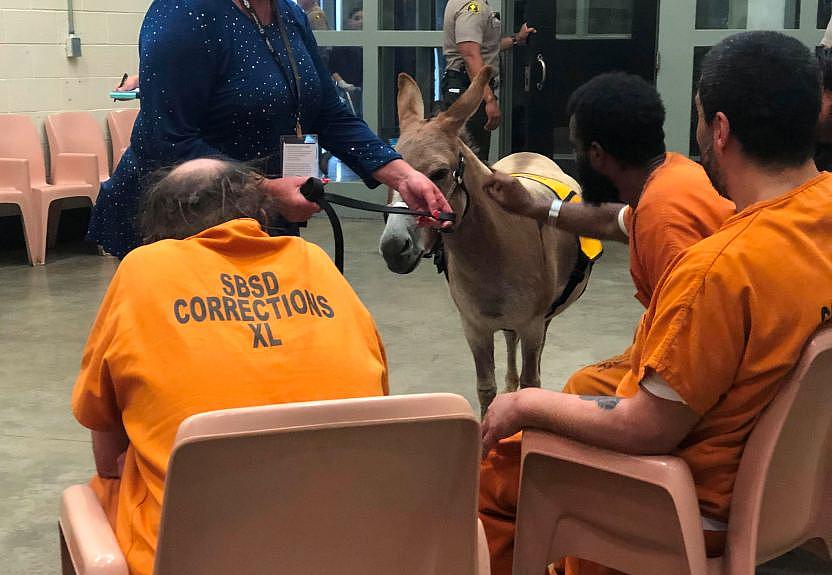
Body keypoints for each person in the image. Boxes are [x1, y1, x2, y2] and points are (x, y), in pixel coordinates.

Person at [478, 31, 832, 575]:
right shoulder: (812, 214)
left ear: (719, 130)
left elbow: (647, 428)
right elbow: (622, 219)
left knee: (504, 464)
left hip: (692, 503)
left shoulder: (719, 271)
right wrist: (542, 211)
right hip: (793, 488)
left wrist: (522, 403)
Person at [73, 158, 389, 575]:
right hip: (358, 548)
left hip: (193, 556)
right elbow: (379, 398)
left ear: (159, 228)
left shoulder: (142, 270)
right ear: (259, 213)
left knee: (105, 489)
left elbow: (106, 452)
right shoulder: (315, 263)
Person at [91, 0, 450, 259]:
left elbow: (327, 112)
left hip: (260, 212)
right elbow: (166, 141)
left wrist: (403, 178)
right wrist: (265, 190)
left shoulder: (288, 15)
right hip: (184, 222)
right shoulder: (184, 13)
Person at [485, 72, 734, 400]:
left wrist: (534, 411)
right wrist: (534, 206)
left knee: (531, 425)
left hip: (694, 384)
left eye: (576, 149)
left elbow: (692, 358)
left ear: (597, 155)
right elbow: (612, 221)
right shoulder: (675, 176)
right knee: (582, 385)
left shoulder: (665, 224)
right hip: (680, 356)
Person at [442, 0, 535, 161]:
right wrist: (489, 100)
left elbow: (486, 46)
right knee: (472, 160)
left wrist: (516, 39)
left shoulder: (477, 5)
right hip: (469, 89)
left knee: (473, 156)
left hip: (470, 87)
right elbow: (471, 56)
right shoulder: (472, 7)